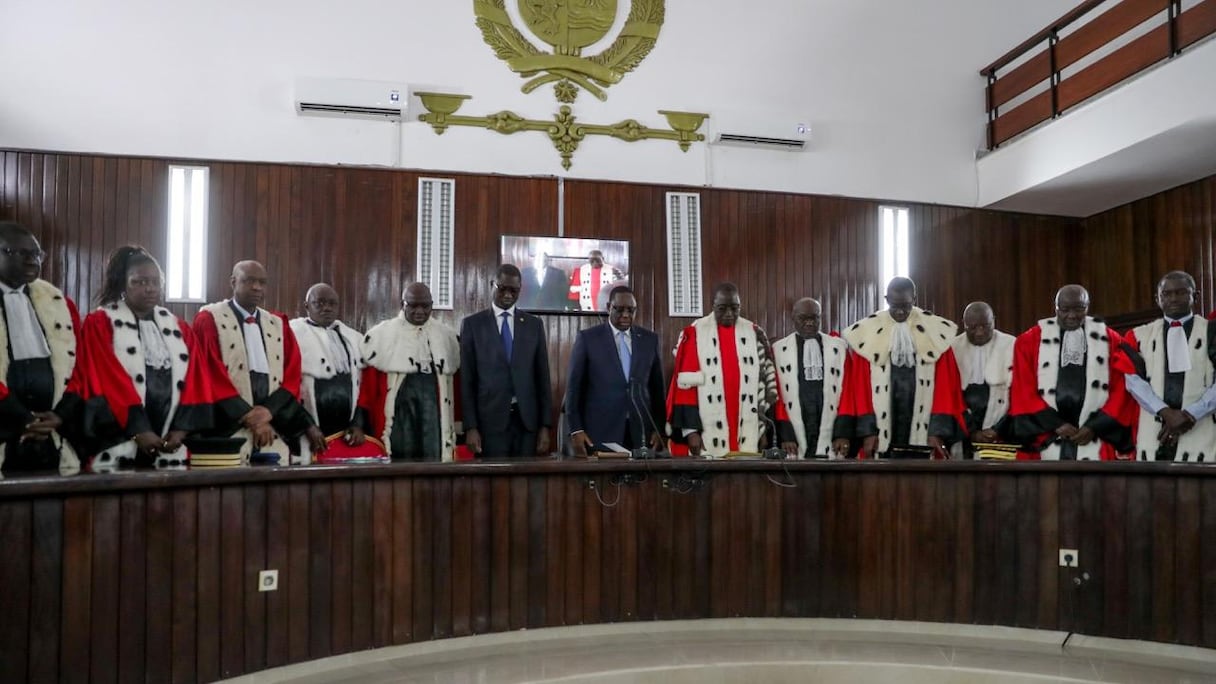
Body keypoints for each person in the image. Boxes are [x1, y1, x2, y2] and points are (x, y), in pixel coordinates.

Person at [74, 247, 214, 469]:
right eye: (139, 282)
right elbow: (105, 378)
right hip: (117, 437)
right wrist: (138, 429)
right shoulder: (100, 323)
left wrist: (181, 429)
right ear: (123, 285)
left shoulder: (179, 327)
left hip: (171, 441)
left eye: (155, 282)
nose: (149, 288)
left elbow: (197, 378)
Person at [193, 260, 323, 464]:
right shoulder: (210, 319)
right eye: (249, 281)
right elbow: (210, 372)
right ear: (233, 282)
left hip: (273, 424)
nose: (257, 287)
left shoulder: (278, 323)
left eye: (262, 282)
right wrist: (248, 415)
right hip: (227, 425)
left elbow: (291, 374)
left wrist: (267, 412)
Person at [837, 277, 965, 459]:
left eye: (905, 305)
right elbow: (859, 386)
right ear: (886, 299)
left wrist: (936, 431)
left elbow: (945, 385)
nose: (899, 312)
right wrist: (868, 431)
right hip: (881, 424)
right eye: (894, 305)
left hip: (923, 421)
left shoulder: (935, 331)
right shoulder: (867, 332)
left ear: (914, 298)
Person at [1008, 284, 1135, 460]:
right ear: (1056, 307)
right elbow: (1023, 390)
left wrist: (1095, 426)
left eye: (1079, 309)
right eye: (1065, 309)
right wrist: (1055, 424)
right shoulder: (1028, 341)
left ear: (1088, 306)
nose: (1072, 315)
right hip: (1047, 437)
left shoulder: (1111, 340)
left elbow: (1122, 388)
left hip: (1096, 438)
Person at [668, 282, 794, 457]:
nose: (729, 314)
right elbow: (685, 388)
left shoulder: (754, 332)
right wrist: (691, 432)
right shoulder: (695, 333)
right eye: (722, 308)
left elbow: (765, 385)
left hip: (747, 425)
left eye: (735, 308)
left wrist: (763, 429)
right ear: (712, 306)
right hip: (708, 427)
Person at [0, 221, 82, 473]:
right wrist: (21, 417)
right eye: (22, 253)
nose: (33, 261)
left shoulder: (58, 302)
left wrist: (60, 415)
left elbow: (80, 365)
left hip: (52, 433)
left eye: (37, 254)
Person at [358, 282, 461, 461]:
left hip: (434, 416)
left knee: (434, 464)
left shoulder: (447, 337)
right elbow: (367, 388)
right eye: (413, 305)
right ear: (402, 304)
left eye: (425, 306)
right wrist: (359, 423)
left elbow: (456, 389)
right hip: (398, 416)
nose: (419, 311)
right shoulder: (382, 336)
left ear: (432, 305)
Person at [1122, 271, 1216, 462]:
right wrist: (1166, 413)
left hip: (1201, 425)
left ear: (1195, 296)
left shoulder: (1212, 331)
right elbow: (1133, 380)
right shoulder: (1138, 336)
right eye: (1167, 294)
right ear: (1158, 299)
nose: (1174, 298)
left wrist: (1191, 414)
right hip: (1154, 426)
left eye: (1181, 292)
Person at [460, 264, 552, 457]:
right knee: (494, 484)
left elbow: (542, 378)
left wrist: (545, 426)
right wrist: (470, 427)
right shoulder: (473, 325)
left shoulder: (533, 325)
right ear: (493, 285)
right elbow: (467, 381)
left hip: (526, 422)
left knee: (525, 484)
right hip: (489, 422)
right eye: (503, 288)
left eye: (514, 290)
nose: (508, 294)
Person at [565, 286, 666, 456]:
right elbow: (574, 389)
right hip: (600, 430)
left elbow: (657, 390)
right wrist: (576, 429)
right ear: (608, 307)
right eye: (619, 309)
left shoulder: (649, 340)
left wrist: (659, 429)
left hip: (641, 432)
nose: (625, 315)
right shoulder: (588, 339)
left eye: (630, 310)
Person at [289, 283, 364, 460]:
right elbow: (285, 387)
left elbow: (364, 387)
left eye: (332, 303)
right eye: (319, 303)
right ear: (306, 306)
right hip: (307, 430)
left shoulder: (355, 338)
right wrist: (307, 425)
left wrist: (358, 423)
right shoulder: (292, 334)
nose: (327, 308)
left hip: (347, 433)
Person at [772, 298, 851, 458]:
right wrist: (787, 435)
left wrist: (842, 433)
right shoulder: (779, 349)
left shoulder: (839, 347)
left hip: (830, 426)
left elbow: (847, 392)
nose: (809, 323)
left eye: (814, 318)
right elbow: (777, 396)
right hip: (795, 431)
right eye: (803, 318)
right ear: (793, 318)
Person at [949, 301, 1016, 455]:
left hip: (1002, 427)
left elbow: (1020, 396)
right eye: (972, 328)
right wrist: (971, 432)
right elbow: (948, 397)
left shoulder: (1011, 345)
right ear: (964, 324)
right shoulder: (953, 348)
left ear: (994, 320)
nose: (979, 333)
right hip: (962, 429)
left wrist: (997, 429)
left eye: (985, 326)